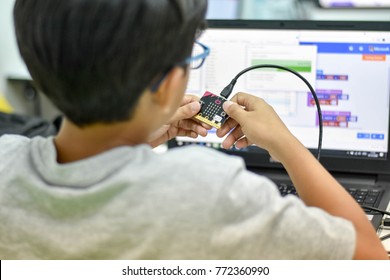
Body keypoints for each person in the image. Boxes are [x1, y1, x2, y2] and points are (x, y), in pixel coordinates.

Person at [0, 0, 386, 260]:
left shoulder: (6, 162)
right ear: (169, 83)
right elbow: (370, 259)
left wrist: (143, 134)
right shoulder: (208, 190)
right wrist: (286, 143)